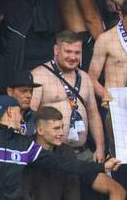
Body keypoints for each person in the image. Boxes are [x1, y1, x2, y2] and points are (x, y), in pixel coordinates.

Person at [29, 32, 103, 161]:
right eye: (68, 52)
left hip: (83, 153)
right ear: (56, 50)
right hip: (53, 155)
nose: (73, 57)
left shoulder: (85, 77)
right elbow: (30, 115)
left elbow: (93, 115)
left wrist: (100, 148)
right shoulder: (39, 75)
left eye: (77, 53)